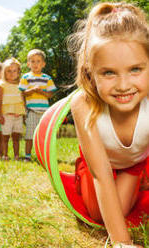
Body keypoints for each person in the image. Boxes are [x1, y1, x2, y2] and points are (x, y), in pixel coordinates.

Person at [68, 2, 149, 247]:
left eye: (135, 69)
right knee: (98, 215)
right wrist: (122, 243)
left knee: (123, 206)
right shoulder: (84, 104)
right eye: (109, 73)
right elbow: (101, 177)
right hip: (100, 167)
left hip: (135, 163)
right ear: (90, 72)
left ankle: (138, 175)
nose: (123, 85)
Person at [19, 49, 57, 161]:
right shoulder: (26, 77)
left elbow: (50, 94)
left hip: (44, 112)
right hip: (32, 111)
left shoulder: (47, 78)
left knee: (44, 135)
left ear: (43, 64)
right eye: (33, 61)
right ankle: (27, 156)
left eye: (38, 61)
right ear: (28, 64)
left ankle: (44, 155)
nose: (35, 64)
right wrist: (32, 90)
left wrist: (42, 92)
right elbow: (23, 93)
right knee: (30, 134)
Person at [0, 58, 25, 160]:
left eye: (14, 71)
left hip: (18, 115)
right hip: (6, 115)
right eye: (9, 71)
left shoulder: (21, 84)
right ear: (4, 72)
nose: (12, 73)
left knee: (16, 137)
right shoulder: (2, 84)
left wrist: (23, 112)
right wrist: (0, 115)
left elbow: (22, 99)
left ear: (18, 72)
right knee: (5, 136)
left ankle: (16, 155)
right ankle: (5, 155)